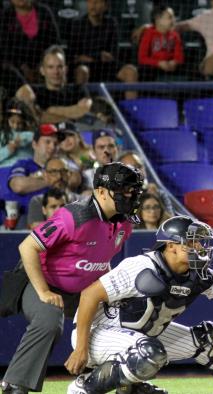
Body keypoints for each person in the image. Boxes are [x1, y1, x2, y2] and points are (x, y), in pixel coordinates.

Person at [64, 215, 213, 394]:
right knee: (149, 353)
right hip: (98, 334)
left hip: (141, 335)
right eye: (192, 242)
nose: (199, 247)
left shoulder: (199, 274)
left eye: (200, 242)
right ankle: (84, 387)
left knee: (209, 339)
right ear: (171, 245)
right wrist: (81, 348)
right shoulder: (141, 267)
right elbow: (89, 295)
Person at [0, 162, 143, 394]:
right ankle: (15, 385)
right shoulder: (75, 215)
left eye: (133, 190)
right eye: (124, 190)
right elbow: (27, 247)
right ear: (101, 191)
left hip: (83, 289)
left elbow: (99, 256)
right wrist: (44, 292)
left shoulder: (125, 222)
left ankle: (127, 381)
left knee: (131, 312)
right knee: (49, 319)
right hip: (43, 282)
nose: (130, 195)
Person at [67, 0, 138, 99]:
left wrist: (91, 56)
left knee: (131, 71)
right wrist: (97, 56)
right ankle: (82, 110)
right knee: (81, 71)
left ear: (105, 6)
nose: (92, 5)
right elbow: (74, 56)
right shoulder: (77, 24)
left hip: (107, 67)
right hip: (87, 67)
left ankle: (131, 110)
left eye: (96, 2)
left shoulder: (111, 23)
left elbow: (113, 54)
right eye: (90, 2)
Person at [15, 45, 93, 124]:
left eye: (59, 67)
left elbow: (84, 110)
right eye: (50, 67)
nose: (55, 72)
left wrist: (52, 110)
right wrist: (73, 112)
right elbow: (37, 117)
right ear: (42, 70)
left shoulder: (78, 89)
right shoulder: (33, 92)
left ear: (65, 69)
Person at [6, 123, 59, 228]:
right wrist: (52, 180)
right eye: (47, 142)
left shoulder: (61, 164)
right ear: (35, 144)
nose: (52, 147)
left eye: (55, 143)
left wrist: (33, 179)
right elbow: (18, 186)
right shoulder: (23, 164)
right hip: (27, 217)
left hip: (58, 216)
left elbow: (73, 180)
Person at [0, 0, 61, 85]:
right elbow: (4, 49)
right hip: (15, 67)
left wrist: (41, 65)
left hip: (43, 64)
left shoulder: (44, 12)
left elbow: (55, 43)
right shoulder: (5, 16)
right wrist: (23, 67)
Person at [25, 156, 78, 229]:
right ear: (45, 175)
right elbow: (36, 227)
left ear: (68, 174)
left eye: (63, 171)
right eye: (54, 172)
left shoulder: (81, 200)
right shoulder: (37, 201)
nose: (59, 176)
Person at [137, 5, 185, 82]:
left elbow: (179, 56)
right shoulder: (148, 34)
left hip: (170, 66)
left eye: (173, 17)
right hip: (153, 67)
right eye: (170, 17)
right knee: (144, 71)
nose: (174, 20)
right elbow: (142, 58)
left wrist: (174, 62)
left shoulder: (175, 35)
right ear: (158, 19)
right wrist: (158, 63)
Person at [0, 99, 35, 167]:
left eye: (19, 123)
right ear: (7, 120)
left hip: (25, 167)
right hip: (6, 167)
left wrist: (22, 139)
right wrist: (7, 150)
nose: (15, 126)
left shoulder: (30, 134)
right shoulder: (2, 135)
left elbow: (33, 137)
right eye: (12, 122)